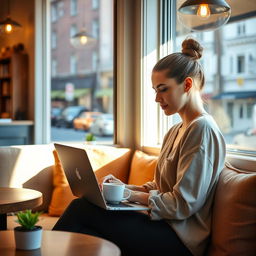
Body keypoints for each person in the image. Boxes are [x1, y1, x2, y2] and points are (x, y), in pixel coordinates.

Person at [53, 38, 226, 256]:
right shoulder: (176, 130)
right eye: (155, 90)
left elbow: (182, 205)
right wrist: (125, 188)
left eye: (162, 89)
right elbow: (161, 186)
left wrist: (129, 195)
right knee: (87, 230)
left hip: (180, 241)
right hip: (163, 226)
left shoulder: (202, 129)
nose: (156, 98)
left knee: (81, 209)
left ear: (188, 85)